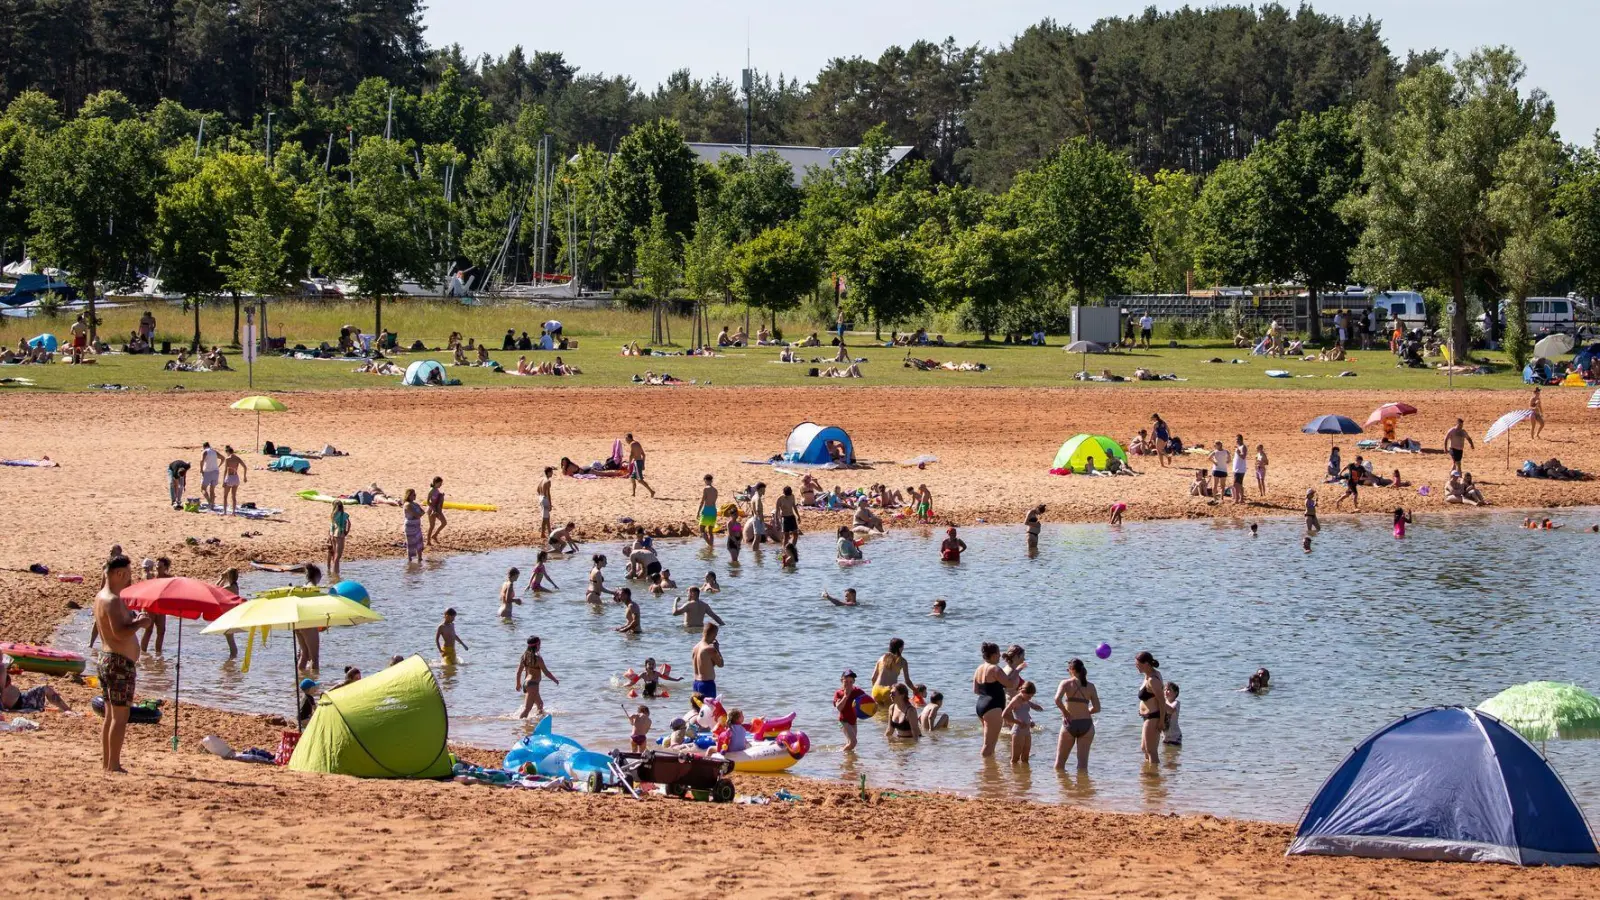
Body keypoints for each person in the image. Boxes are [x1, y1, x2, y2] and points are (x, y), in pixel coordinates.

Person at [93, 555, 147, 772]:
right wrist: (140, 623)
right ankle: (113, 764)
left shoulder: (101, 596)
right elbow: (120, 632)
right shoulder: (113, 600)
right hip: (118, 663)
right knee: (120, 716)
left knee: (110, 716)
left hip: (107, 659)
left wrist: (134, 619)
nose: (129, 580)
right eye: (127, 575)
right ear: (119, 574)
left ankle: (108, 763)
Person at [1053, 658, 1100, 771]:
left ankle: (1062, 787)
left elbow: (1057, 700)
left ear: (1072, 670)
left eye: (1068, 669)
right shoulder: (1090, 686)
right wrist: (1086, 711)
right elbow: (1097, 708)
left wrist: (1065, 712)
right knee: (1083, 765)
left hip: (1069, 723)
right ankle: (1082, 788)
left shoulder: (1066, 683)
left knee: (1059, 764)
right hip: (1087, 725)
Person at [974, 642, 1020, 758]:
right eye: (999, 654)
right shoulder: (995, 669)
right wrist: (1017, 671)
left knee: (989, 742)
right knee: (989, 744)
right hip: (993, 707)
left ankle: (990, 771)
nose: (1000, 656)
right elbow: (1010, 684)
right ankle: (985, 772)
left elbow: (976, 690)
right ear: (994, 655)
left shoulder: (979, 668)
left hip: (981, 705)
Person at [1, 657, 70, 712]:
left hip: (20, 699)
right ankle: (67, 710)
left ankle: (62, 709)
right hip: (22, 701)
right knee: (45, 688)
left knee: (44, 691)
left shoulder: (2, 669)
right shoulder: (1, 670)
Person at [1135, 651, 1168, 765]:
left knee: (1151, 751)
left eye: (1138, 664)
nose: (1136, 666)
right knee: (1144, 748)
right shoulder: (1148, 675)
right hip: (1147, 716)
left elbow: (1162, 701)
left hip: (1153, 717)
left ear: (1147, 664)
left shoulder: (1153, 680)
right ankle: (1149, 776)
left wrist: (1162, 721)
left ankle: (1155, 776)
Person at [515, 636, 558, 719]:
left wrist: (518, 684)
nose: (540, 647)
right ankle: (519, 726)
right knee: (527, 709)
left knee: (540, 705)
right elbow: (546, 672)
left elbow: (518, 672)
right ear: (537, 645)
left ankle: (535, 723)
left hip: (526, 684)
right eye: (540, 644)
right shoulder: (538, 659)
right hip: (533, 685)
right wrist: (554, 679)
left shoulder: (524, 657)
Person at [870, 638, 915, 709]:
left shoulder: (881, 658)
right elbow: (907, 681)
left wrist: (875, 690)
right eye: (903, 647)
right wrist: (915, 690)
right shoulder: (902, 661)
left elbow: (873, 678)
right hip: (889, 691)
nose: (903, 649)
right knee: (890, 714)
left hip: (876, 689)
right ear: (899, 648)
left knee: (879, 713)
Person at [1003, 681, 1042, 764]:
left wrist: (1031, 721)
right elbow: (1004, 714)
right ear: (1022, 692)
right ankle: (1014, 776)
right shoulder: (1016, 700)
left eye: (1032, 696)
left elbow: (1025, 712)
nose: (1030, 698)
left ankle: (1025, 776)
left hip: (1027, 731)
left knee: (1025, 758)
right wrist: (1018, 722)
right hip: (1018, 731)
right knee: (1015, 759)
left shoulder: (1025, 699)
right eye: (1029, 696)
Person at [834, 669, 867, 752]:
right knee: (853, 742)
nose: (848, 684)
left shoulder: (858, 691)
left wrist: (874, 706)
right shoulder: (839, 693)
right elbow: (839, 708)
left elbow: (868, 701)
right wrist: (845, 696)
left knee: (850, 743)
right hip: (843, 721)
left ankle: (848, 761)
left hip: (854, 721)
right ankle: (840, 753)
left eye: (851, 682)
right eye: (846, 682)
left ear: (853, 682)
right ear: (841, 680)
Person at [691, 623, 724, 698]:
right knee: (709, 709)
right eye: (716, 634)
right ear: (712, 634)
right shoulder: (709, 649)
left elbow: (705, 665)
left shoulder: (695, 648)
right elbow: (721, 664)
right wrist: (717, 650)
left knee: (698, 709)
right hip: (707, 684)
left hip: (696, 683)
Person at [626, 433, 655, 499]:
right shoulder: (637, 443)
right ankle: (633, 493)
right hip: (638, 462)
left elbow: (631, 455)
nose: (626, 440)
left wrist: (629, 464)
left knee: (640, 480)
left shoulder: (632, 444)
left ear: (629, 438)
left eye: (626, 439)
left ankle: (651, 491)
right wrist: (643, 464)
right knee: (632, 477)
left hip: (637, 463)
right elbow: (643, 455)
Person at [327, 501, 350, 580]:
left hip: (333, 534)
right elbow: (348, 523)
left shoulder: (333, 515)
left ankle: (333, 573)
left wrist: (330, 535)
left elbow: (331, 525)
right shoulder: (345, 515)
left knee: (334, 555)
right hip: (340, 534)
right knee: (338, 556)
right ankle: (336, 574)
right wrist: (346, 531)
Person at [221, 446, 247, 515]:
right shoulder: (237, 458)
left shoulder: (227, 459)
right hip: (236, 478)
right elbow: (245, 467)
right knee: (233, 496)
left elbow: (225, 470)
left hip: (230, 477)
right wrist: (244, 477)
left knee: (225, 496)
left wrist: (223, 481)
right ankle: (234, 512)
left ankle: (225, 512)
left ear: (228, 452)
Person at [403, 489, 425, 563]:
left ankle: (420, 559)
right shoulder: (407, 505)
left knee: (419, 542)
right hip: (410, 527)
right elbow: (416, 514)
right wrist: (418, 514)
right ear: (409, 496)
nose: (415, 496)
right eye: (413, 495)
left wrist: (418, 514)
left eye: (415, 494)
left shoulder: (415, 504)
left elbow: (422, 512)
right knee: (411, 544)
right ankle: (410, 560)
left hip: (417, 526)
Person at [698, 474, 718, 548]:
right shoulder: (715, 490)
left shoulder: (706, 489)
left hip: (707, 511)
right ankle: (711, 545)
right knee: (710, 531)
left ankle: (710, 546)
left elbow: (702, 501)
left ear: (705, 480)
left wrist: (698, 512)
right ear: (711, 480)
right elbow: (714, 501)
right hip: (713, 511)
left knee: (702, 529)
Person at [199, 441, 221, 509]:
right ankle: (212, 504)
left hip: (207, 472)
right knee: (212, 489)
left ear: (204, 446)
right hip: (215, 471)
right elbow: (223, 458)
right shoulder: (214, 451)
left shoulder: (205, 452)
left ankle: (209, 502)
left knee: (203, 488)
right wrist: (219, 466)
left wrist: (201, 469)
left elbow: (201, 461)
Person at [426, 476, 447, 547]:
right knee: (432, 526)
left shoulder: (437, 490)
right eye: (440, 483)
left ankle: (434, 535)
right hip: (431, 510)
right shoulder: (431, 490)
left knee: (444, 523)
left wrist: (441, 496)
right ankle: (428, 541)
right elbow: (428, 502)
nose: (441, 485)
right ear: (435, 483)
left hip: (437, 510)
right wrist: (433, 509)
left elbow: (437, 499)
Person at [536, 467, 554, 539]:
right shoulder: (548, 481)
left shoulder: (542, 479)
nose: (552, 473)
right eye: (551, 472)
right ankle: (543, 533)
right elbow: (548, 494)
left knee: (546, 517)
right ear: (548, 472)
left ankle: (549, 531)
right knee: (545, 517)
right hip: (545, 499)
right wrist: (550, 504)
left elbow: (537, 489)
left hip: (540, 497)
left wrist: (541, 497)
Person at [1162, 682, 1182, 746]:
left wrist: (1159, 701)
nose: (1166, 691)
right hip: (1165, 737)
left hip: (1175, 737)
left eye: (1168, 690)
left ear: (1176, 693)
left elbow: (1170, 710)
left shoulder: (1176, 703)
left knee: (1173, 754)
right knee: (1165, 755)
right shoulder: (1163, 703)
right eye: (1164, 690)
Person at [1231, 438, 1248, 505]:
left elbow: (1243, 456)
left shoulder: (1243, 447)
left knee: (1235, 484)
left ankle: (1237, 499)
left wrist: (1238, 452)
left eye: (1238, 439)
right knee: (1239, 484)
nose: (1237, 441)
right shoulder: (1239, 447)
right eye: (1236, 439)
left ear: (1241, 440)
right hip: (1237, 468)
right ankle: (1241, 499)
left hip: (1240, 469)